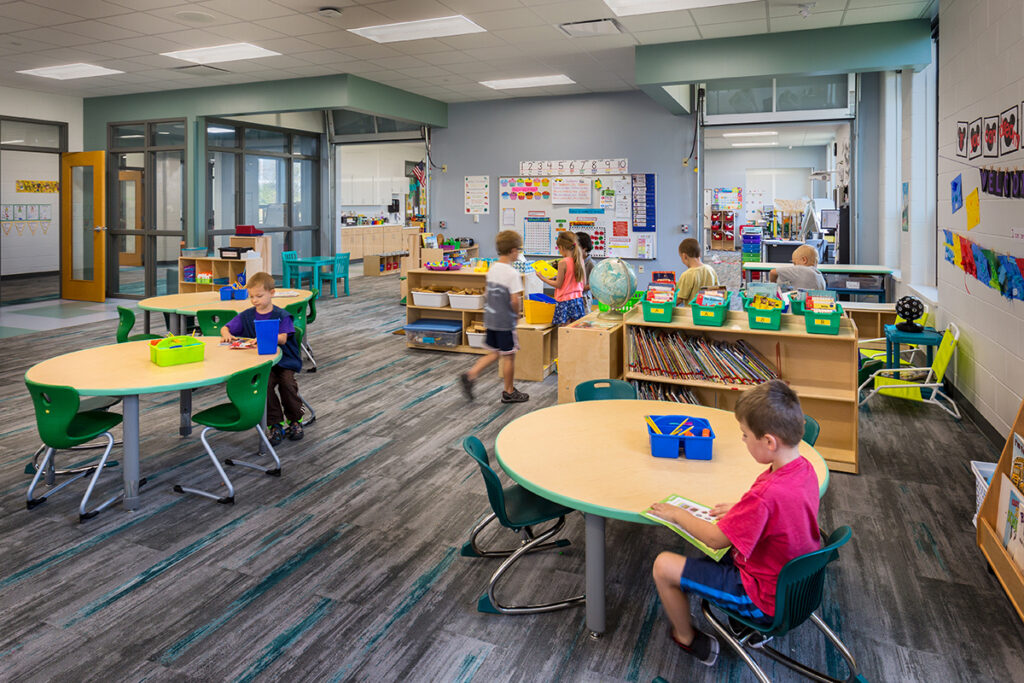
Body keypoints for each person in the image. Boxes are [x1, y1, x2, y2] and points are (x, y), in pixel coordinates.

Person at [650, 380, 820, 667]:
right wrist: (744, 511)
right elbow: (782, 516)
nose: (742, 441)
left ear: (768, 441)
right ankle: (743, 627)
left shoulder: (765, 496)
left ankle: (686, 637)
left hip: (762, 598)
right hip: (794, 584)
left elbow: (715, 539)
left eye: (744, 435)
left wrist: (678, 514)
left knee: (663, 566)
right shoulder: (804, 470)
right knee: (715, 553)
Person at [220, 271, 304, 445]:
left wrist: (267, 337)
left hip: (285, 361)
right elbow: (225, 327)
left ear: (272, 293)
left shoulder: (282, 316)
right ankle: (275, 423)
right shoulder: (247, 315)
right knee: (263, 386)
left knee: (288, 384)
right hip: (263, 363)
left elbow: (283, 338)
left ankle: (296, 420)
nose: (254, 300)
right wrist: (226, 333)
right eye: (251, 296)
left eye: (259, 296)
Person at [460, 230, 529, 404]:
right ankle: (509, 391)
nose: (518, 253)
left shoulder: (493, 268)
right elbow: (515, 300)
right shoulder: (512, 273)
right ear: (513, 251)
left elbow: (487, 293)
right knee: (509, 356)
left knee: (494, 353)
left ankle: (470, 375)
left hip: (491, 318)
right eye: (518, 250)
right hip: (505, 321)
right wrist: (516, 315)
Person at [536, 231, 587, 325]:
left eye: (558, 248)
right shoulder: (580, 260)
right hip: (578, 300)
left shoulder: (563, 262)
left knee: (564, 329)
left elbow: (558, 285)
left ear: (562, 247)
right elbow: (581, 284)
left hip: (564, 301)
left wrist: (543, 278)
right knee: (575, 328)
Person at [675, 238, 720, 305]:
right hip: (709, 310)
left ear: (685, 256)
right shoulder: (710, 269)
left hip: (692, 313)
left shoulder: (687, 275)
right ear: (700, 254)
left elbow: (679, 299)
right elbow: (718, 290)